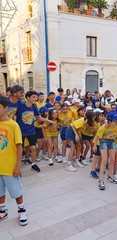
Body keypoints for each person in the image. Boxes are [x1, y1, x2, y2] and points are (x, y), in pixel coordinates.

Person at [0, 96, 28, 226]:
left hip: (9, 166)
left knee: (16, 190)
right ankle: (2, 209)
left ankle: (21, 210)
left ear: (6, 108)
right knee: (0, 190)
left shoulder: (13, 125)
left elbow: (19, 146)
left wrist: (18, 166)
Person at [16, 91, 53, 172]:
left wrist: (49, 121)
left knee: (33, 148)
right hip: (20, 131)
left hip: (31, 131)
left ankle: (33, 164)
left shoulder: (34, 107)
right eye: (33, 97)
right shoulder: (20, 106)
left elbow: (38, 117)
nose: (35, 99)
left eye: (36, 97)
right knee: (20, 149)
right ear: (28, 98)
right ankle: (17, 165)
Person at [93, 110, 117, 190]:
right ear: (110, 121)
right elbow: (97, 136)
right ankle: (101, 180)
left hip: (112, 141)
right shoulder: (103, 127)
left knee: (112, 159)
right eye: (115, 121)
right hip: (103, 141)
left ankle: (110, 176)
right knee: (104, 160)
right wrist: (95, 145)